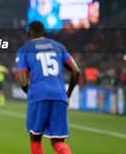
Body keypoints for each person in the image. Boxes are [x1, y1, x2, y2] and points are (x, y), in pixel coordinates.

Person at [15, 20, 80, 154]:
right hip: (59, 96)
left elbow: (23, 82)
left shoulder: (24, 50)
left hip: (38, 95)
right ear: (45, 32)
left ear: (29, 33)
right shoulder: (59, 46)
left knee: (35, 138)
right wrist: (67, 94)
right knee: (58, 141)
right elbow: (76, 71)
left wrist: (33, 94)